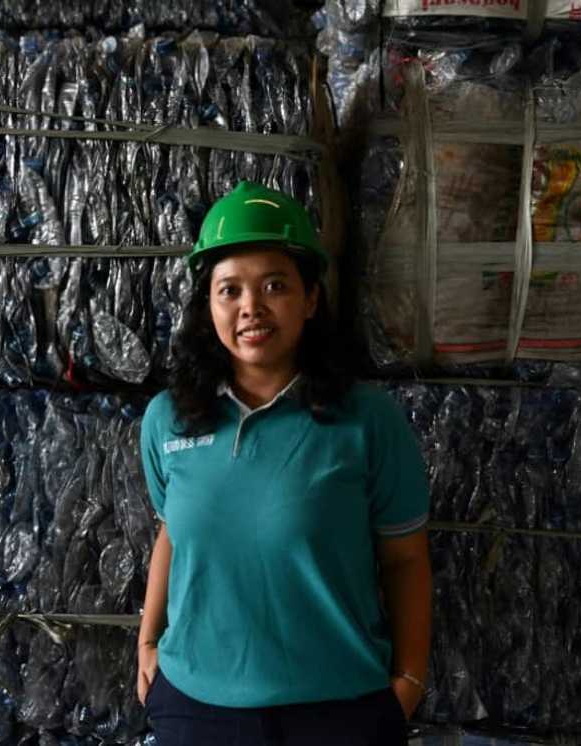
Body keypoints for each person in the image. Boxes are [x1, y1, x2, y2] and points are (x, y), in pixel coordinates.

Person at [136, 181, 432, 746]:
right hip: (196, 708)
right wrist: (148, 641)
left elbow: (406, 560)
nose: (252, 307)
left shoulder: (368, 421)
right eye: (230, 290)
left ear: (311, 299)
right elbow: (172, 531)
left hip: (337, 710)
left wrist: (408, 683)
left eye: (275, 285)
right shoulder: (167, 421)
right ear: (209, 305)